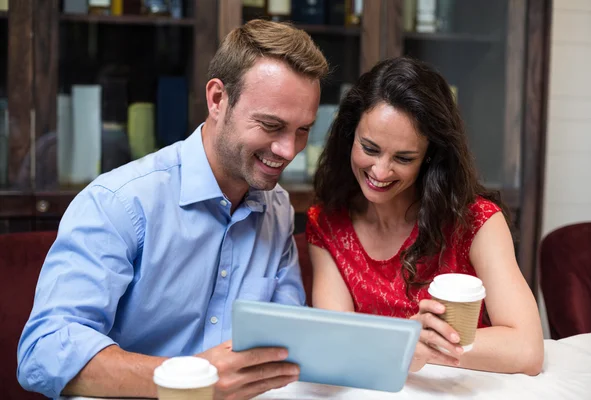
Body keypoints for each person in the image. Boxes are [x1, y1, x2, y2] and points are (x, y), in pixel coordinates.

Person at [17, 20, 328, 400]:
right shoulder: (120, 201)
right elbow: (43, 352)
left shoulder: (276, 206)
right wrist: (193, 376)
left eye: (303, 130)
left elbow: (286, 339)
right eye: (271, 125)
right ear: (217, 99)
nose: (288, 150)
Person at [306, 56, 544, 375]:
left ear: (429, 158)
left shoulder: (476, 221)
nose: (380, 171)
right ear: (350, 135)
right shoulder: (327, 223)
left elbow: (527, 350)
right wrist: (405, 342)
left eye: (403, 158)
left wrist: (418, 345)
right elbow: (337, 338)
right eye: (370, 148)